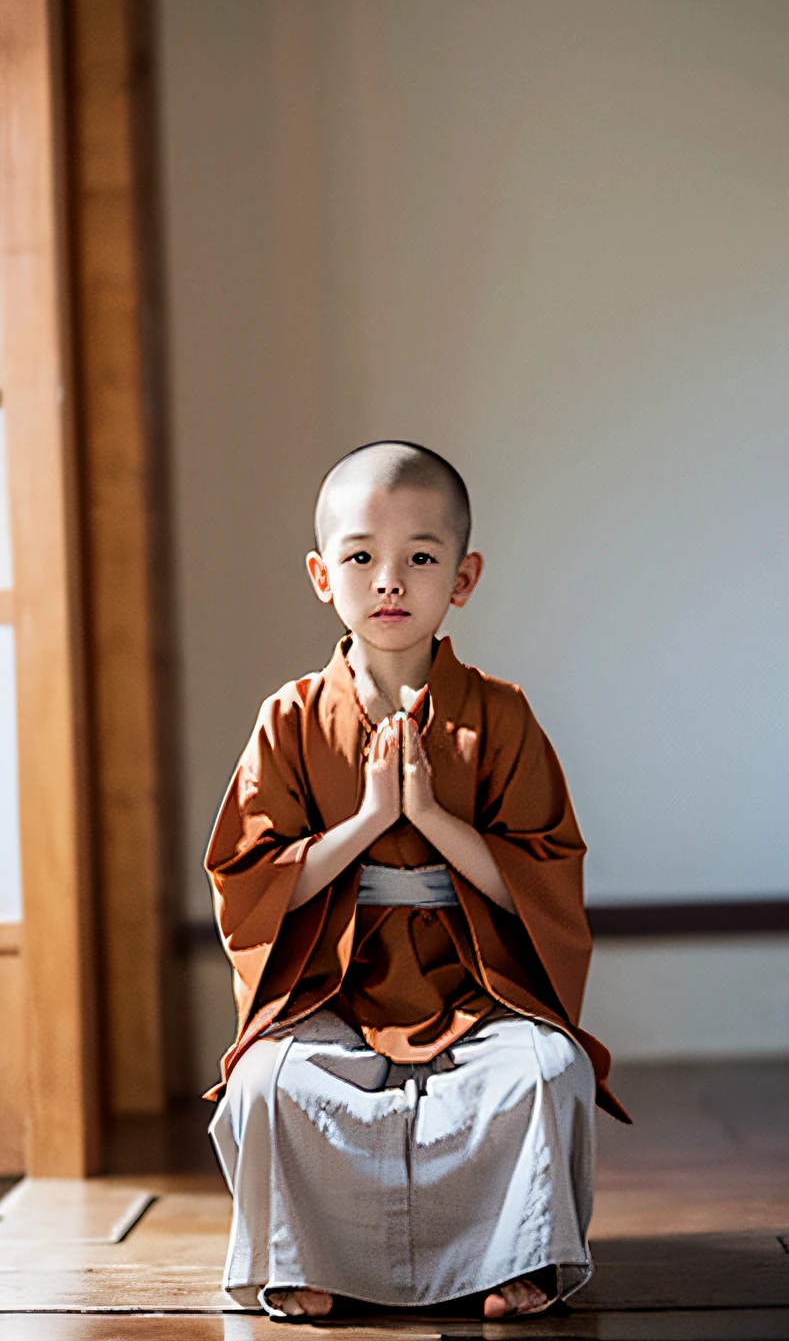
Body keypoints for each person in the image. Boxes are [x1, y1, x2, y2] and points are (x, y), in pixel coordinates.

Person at [204, 440, 629, 1323]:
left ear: (462, 577)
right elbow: (248, 877)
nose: (389, 581)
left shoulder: (502, 715)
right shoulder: (288, 719)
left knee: (544, 1070)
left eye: (420, 559)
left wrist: (433, 816)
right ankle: (304, 1256)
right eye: (362, 557)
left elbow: (542, 884)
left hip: (474, 985)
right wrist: (365, 822)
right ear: (323, 575)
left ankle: (518, 1257)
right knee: (271, 1084)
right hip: (334, 985)